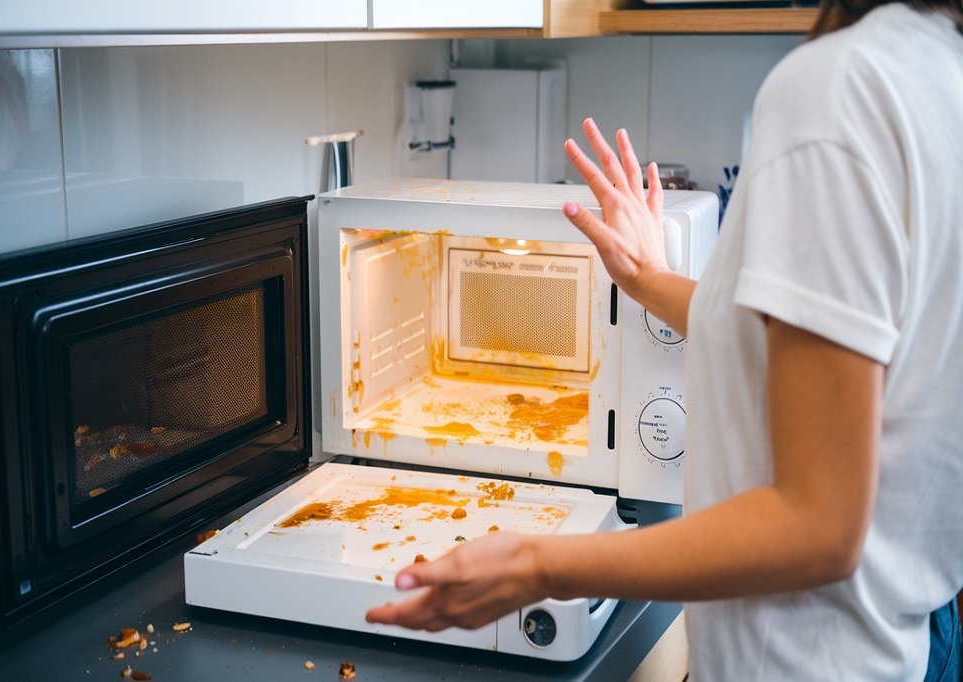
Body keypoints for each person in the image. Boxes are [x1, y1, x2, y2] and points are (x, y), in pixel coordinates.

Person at [366, 0, 963, 678]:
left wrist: (538, 563)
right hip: (910, 640)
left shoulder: (838, 87)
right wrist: (653, 281)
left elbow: (818, 526)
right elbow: (842, 355)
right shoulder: (938, 71)